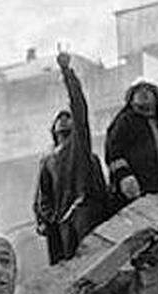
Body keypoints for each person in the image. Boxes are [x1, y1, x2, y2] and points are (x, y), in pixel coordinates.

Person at [32, 52, 109, 265]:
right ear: (53, 128)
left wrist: (67, 73)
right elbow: (42, 197)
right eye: (60, 118)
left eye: (69, 118)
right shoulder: (47, 161)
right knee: (66, 270)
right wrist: (47, 220)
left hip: (85, 213)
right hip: (62, 223)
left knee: (90, 263)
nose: (65, 120)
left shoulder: (80, 149)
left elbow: (79, 106)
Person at [105, 80, 158, 211]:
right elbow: (113, 152)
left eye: (148, 91)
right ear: (131, 100)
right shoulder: (125, 120)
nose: (144, 93)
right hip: (133, 194)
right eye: (139, 91)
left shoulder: (155, 126)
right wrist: (124, 177)